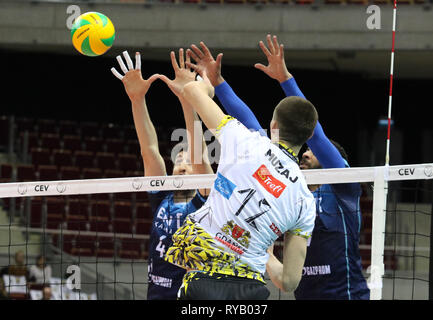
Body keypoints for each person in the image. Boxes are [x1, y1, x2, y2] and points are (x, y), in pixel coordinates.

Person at [187, 35, 369, 300]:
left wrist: (286, 80)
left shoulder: (344, 190)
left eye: (313, 153)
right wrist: (219, 82)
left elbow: (315, 135)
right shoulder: (297, 195)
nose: (306, 155)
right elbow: (250, 124)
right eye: (305, 151)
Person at [157, 54, 318, 300]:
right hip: (251, 292)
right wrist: (263, 251)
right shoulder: (306, 203)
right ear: (307, 138)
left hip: (202, 282)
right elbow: (289, 282)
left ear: (273, 126)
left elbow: (191, 92)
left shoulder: (245, 140)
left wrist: (206, 84)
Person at [111, 50, 213, 300]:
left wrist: (188, 99)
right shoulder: (162, 198)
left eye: (187, 161)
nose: (181, 163)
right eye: (178, 159)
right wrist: (137, 99)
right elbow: (149, 151)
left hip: (193, 296)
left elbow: (200, 156)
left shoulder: (206, 199)